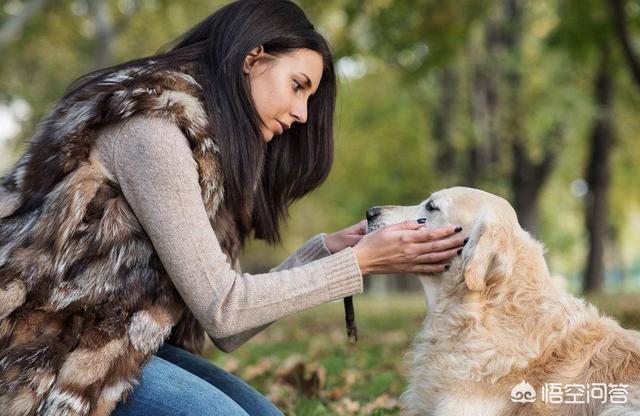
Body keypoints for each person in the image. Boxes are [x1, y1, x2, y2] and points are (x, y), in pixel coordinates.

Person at [0, 0, 465, 415]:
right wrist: (358, 262)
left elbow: (225, 328)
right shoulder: (154, 132)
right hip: (42, 354)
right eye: (298, 85)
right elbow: (226, 310)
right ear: (252, 59)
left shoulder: (211, 157)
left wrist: (325, 253)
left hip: (118, 343)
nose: (302, 113)